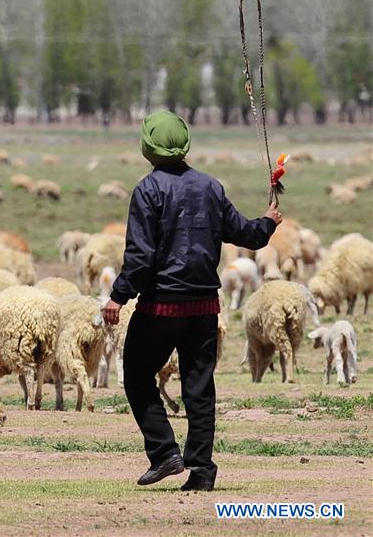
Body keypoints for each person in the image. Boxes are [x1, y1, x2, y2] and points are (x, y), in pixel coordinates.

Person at [101, 110, 281, 491]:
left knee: (136, 373)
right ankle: (201, 470)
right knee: (199, 387)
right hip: (203, 307)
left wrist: (118, 295)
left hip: (161, 306)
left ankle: (164, 452)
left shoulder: (147, 191)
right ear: (184, 144)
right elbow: (245, 233)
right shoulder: (211, 186)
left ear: (148, 147)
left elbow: (140, 257)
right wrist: (267, 222)